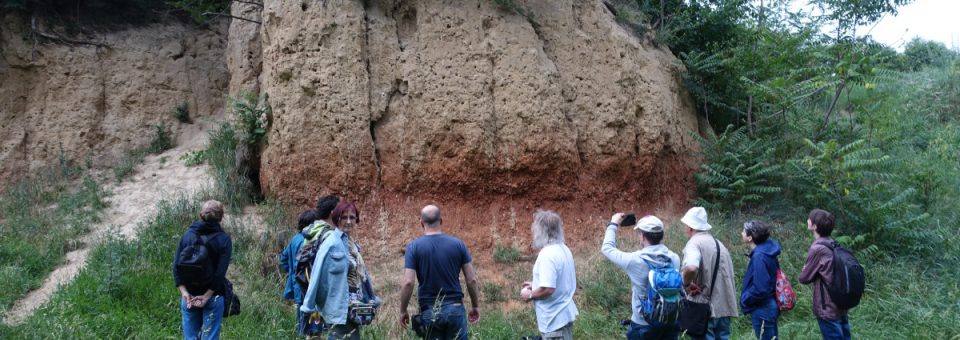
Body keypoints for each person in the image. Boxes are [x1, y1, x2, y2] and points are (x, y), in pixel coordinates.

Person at [399, 205, 481, 339]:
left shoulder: (413, 247)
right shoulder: (458, 244)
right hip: (455, 308)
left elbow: (408, 282)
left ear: (421, 223)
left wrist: (403, 310)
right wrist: (475, 306)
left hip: (429, 311)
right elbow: (471, 279)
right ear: (441, 221)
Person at [300, 201, 380, 340]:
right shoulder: (331, 243)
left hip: (354, 307)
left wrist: (372, 299)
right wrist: (309, 307)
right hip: (339, 308)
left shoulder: (351, 244)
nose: (348, 221)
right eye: (344, 217)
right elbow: (317, 276)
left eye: (352, 217)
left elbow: (361, 276)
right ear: (337, 218)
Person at [602, 213, 682, 340]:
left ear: (643, 236)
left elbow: (607, 248)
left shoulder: (635, 260)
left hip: (643, 324)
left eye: (639, 233)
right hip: (669, 321)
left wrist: (613, 224)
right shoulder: (674, 258)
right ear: (662, 235)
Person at [173, 200, 233, 340]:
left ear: (200, 215)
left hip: (189, 296)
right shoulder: (224, 240)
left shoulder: (187, 235)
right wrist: (206, 296)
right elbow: (220, 274)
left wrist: (185, 293)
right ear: (221, 217)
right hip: (213, 296)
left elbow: (176, 267)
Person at [679, 207, 738, 340]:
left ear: (690, 227)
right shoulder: (719, 244)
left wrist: (686, 283)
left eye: (685, 225)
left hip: (705, 310)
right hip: (724, 308)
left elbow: (692, 268)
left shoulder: (694, 244)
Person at [519, 210, 579, 340]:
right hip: (563, 315)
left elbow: (548, 289)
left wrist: (529, 294)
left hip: (554, 320)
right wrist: (535, 284)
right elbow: (559, 280)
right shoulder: (563, 248)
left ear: (541, 230)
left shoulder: (547, 254)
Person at [798, 209, 851, 340]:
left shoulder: (818, 249)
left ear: (814, 226)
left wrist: (805, 269)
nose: (807, 220)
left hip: (827, 306)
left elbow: (804, 278)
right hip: (840, 304)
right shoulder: (833, 243)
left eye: (809, 219)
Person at [739, 220, 781, 340]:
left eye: (744, 231)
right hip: (770, 304)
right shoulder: (767, 251)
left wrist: (746, 299)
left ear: (750, 238)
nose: (741, 233)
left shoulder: (759, 256)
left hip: (763, 307)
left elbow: (761, 288)